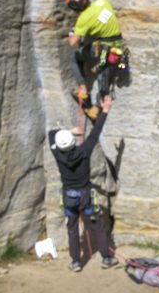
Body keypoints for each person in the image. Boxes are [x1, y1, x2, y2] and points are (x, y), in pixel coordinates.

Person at [48, 95, 117, 272]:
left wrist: (69, 132)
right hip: (86, 194)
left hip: (68, 195)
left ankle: (76, 262)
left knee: (71, 229)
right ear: (72, 143)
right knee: (95, 225)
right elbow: (95, 133)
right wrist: (105, 110)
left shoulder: (57, 154)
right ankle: (106, 258)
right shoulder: (84, 151)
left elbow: (51, 134)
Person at [65, 0, 128, 121]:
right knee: (105, 74)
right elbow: (101, 22)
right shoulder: (103, 2)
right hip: (118, 48)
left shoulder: (84, 19)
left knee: (75, 58)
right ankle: (97, 106)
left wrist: (72, 32)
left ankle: (83, 90)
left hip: (102, 51)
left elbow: (73, 43)